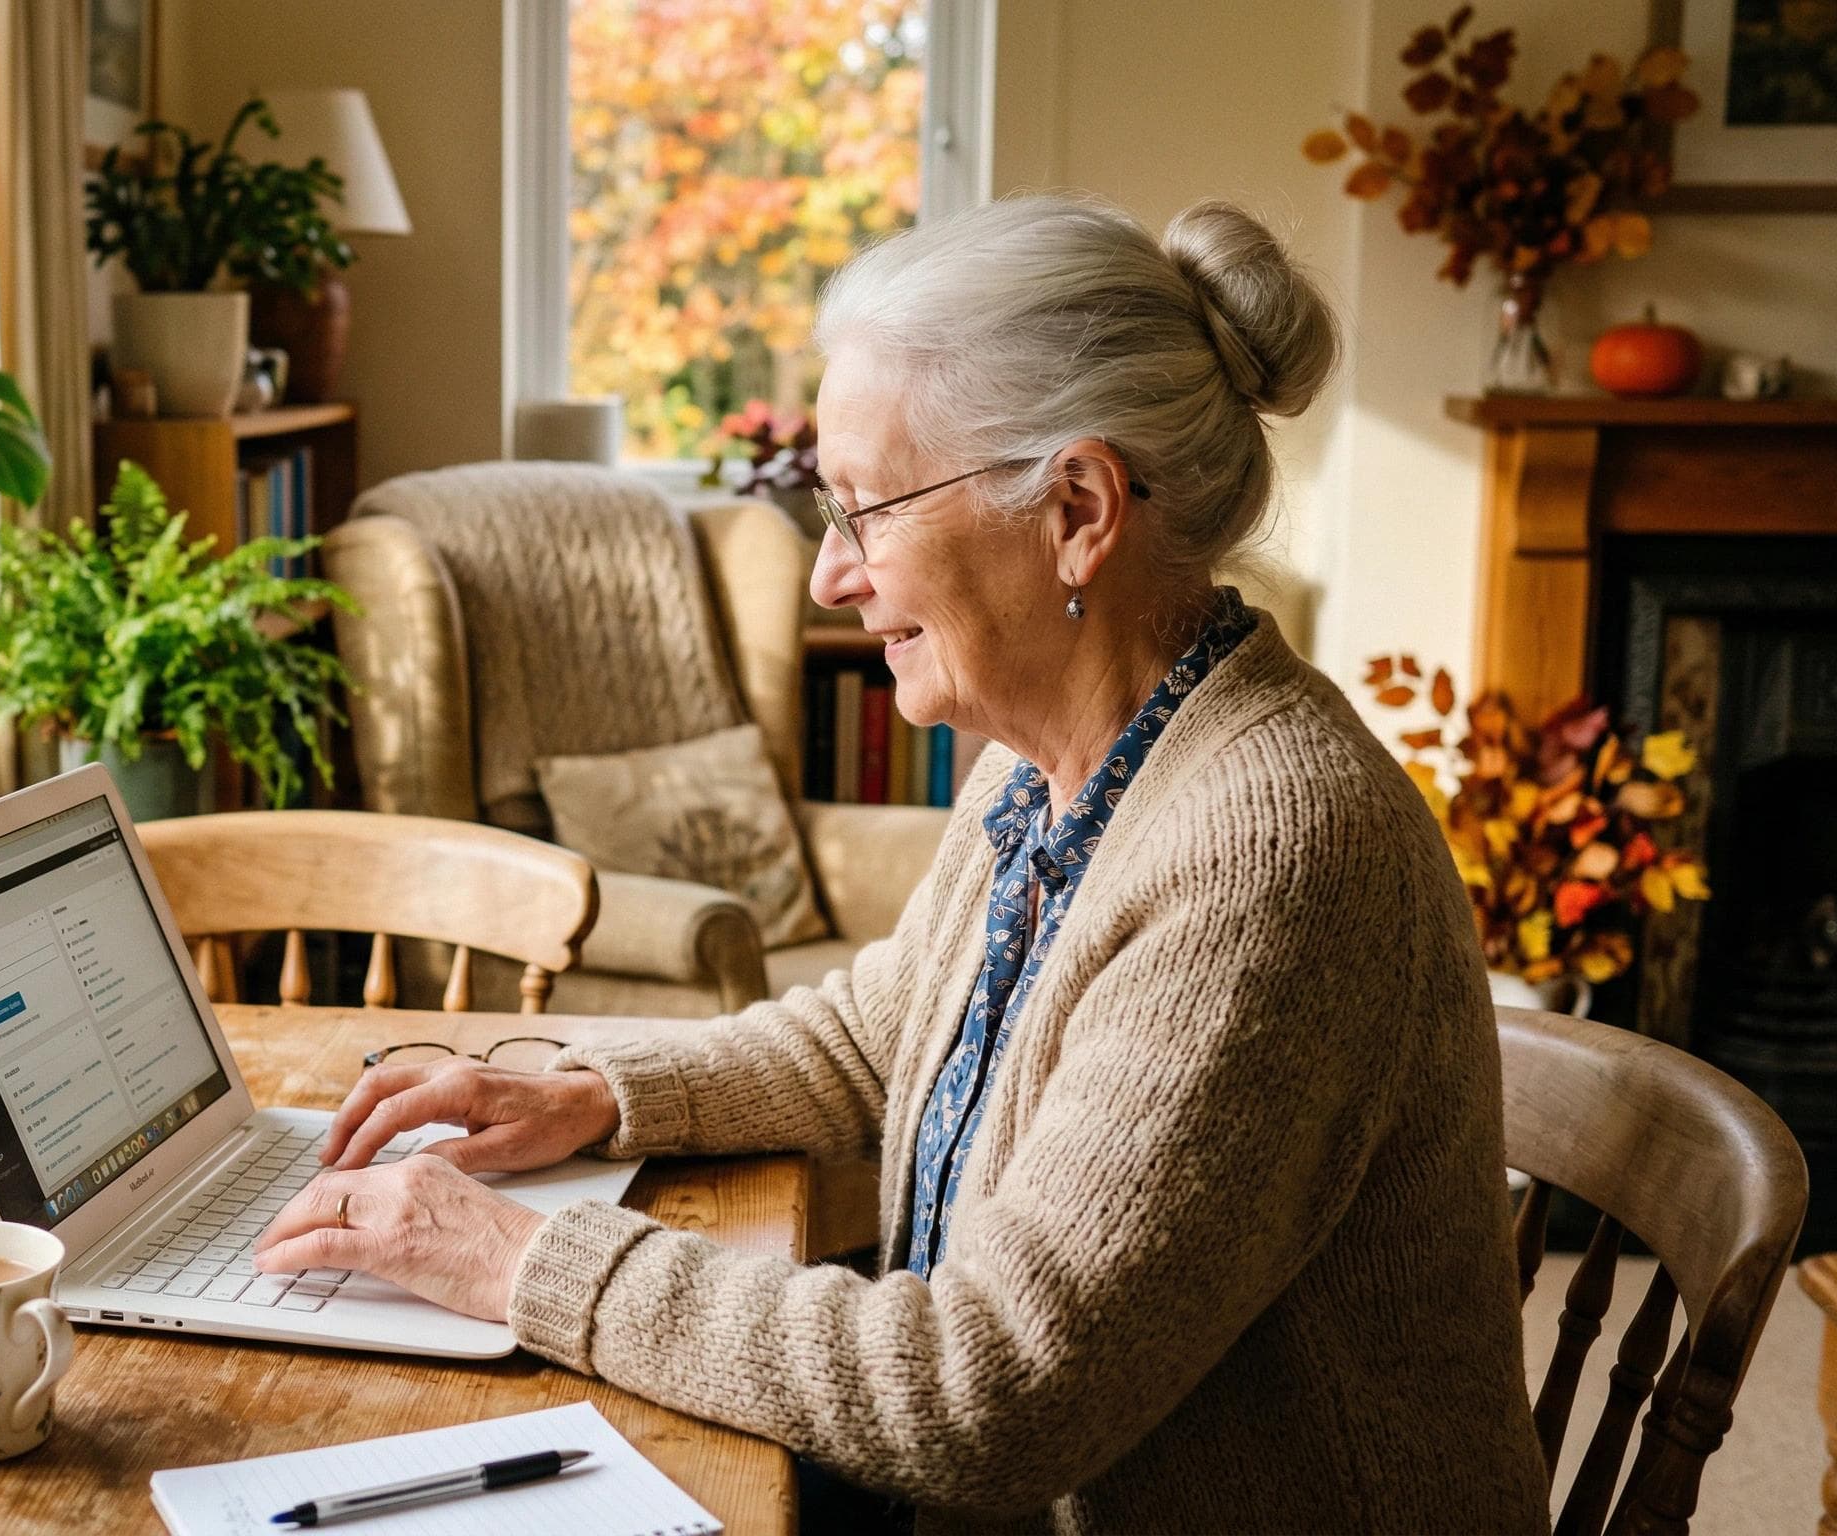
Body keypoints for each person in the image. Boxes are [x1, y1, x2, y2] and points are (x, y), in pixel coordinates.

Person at [252, 194, 1551, 1533]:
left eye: (866, 508)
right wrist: (590, 1092)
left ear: (1078, 509)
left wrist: (526, 1257)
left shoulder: (1269, 857)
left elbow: (986, 1396)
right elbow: (886, 1035)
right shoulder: (1054, 761)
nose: (832, 577)